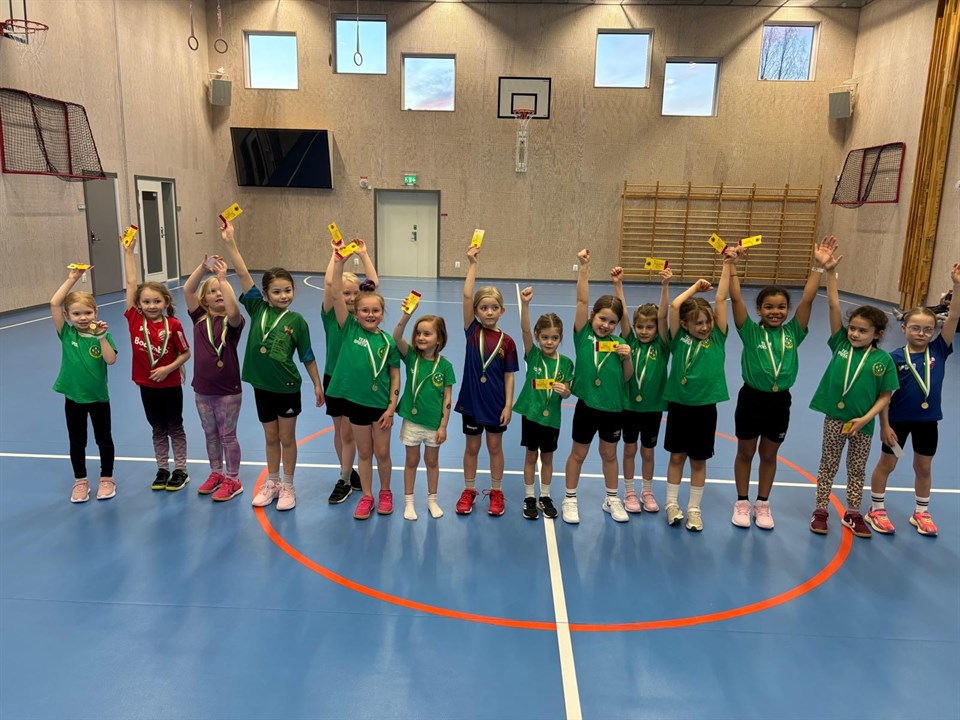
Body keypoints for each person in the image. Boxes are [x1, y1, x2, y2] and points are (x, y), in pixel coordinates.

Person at [726, 237, 838, 530]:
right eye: (768, 307)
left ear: (788, 309)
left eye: (781, 307)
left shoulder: (793, 332)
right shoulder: (749, 331)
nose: (775, 311)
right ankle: (742, 501)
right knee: (745, 452)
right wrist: (733, 267)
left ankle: (763, 503)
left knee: (769, 455)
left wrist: (818, 266)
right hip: (751, 399)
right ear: (759, 310)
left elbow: (808, 300)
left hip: (779, 402)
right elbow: (736, 300)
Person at [220, 220, 323, 511]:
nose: (283, 296)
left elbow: (307, 355)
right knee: (270, 437)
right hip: (262, 386)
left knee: (287, 438)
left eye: (288, 290)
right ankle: (272, 482)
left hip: (287, 386)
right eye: (277, 292)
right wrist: (230, 242)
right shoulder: (257, 308)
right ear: (265, 294)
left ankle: (288, 485)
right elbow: (243, 273)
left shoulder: (297, 321)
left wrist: (316, 384)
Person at [867, 262, 960, 536]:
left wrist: (956, 285)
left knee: (923, 466)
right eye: (916, 328)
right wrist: (885, 426)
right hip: (897, 422)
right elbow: (884, 396)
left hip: (928, 421)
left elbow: (954, 317)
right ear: (904, 328)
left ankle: (921, 513)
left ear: (934, 331)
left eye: (928, 329)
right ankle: (876, 509)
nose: (922, 333)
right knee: (888, 463)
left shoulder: (939, 349)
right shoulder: (894, 358)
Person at [808, 256, 899, 537]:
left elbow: (885, 396)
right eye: (853, 328)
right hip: (835, 418)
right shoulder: (840, 344)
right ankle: (820, 510)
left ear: (877, 334)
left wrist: (868, 420)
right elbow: (834, 306)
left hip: (863, 424)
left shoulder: (883, 360)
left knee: (857, 469)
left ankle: (853, 512)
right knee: (828, 465)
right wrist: (830, 272)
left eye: (862, 330)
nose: (855, 333)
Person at [327, 242, 401, 520]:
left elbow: (395, 375)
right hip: (356, 405)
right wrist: (339, 262)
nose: (370, 315)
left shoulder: (388, 342)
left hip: (380, 407)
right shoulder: (348, 329)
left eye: (376, 311)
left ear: (382, 313)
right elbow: (336, 293)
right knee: (365, 452)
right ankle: (367, 496)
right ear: (355, 313)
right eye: (365, 311)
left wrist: (391, 407)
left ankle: (385, 492)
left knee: (382, 453)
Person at [661, 251, 734, 531]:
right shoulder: (677, 339)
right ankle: (671, 504)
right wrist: (694, 287)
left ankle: (694, 509)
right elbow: (675, 306)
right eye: (698, 323)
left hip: (705, 407)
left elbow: (721, 299)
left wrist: (727, 265)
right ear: (685, 325)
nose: (704, 327)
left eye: (707, 322)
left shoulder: (718, 338)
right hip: (680, 405)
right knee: (676, 456)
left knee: (699, 460)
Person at [562, 249, 634, 525]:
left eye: (612, 322)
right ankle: (570, 498)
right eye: (602, 318)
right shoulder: (583, 335)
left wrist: (627, 358)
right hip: (587, 406)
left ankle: (612, 498)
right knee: (578, 453)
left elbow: (627, 377)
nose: (606, 325)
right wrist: (584, 267)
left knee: (609, 454)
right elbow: (581, 300)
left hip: (614, 408)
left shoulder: (620, 343)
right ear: (592, 316)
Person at [122, 234, 191, 492]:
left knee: (175, 426)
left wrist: (168, 369)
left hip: (170, 384)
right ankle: (162, 468)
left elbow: (185, 353)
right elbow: (131, 282)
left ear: (166, 302)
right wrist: (129, 253)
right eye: (146, 302)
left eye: (157, 301)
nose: (152, 305)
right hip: (147, 385)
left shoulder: (174, 325)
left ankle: (181, 469)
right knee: (157, 428)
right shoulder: (134, 320)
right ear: (138, 304)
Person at [454, 243, 519, 516]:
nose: (489, 312)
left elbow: (509, 376)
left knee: (494, 447)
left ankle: (496, 491)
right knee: (472, 447)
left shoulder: (508, 342)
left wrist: (508, 405)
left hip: (495, 404)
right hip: (471, 402)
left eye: (494, 307)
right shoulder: (472, 331)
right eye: (484, 307)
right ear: (476, 311)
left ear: (502, 310)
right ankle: (469, 490)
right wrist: (473, 264)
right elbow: (466, 295)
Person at [50, 267, 118, 503]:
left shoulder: (103, 335)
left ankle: (107, 478)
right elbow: (54, 303)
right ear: (68, 315)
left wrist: (101, 337)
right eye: (76, 313)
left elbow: (111, 360)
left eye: (87, 312)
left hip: (99, 397)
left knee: (104, 439)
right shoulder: (67, 333)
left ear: (95, 312)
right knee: (77, 441)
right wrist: (72, 279)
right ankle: (80, 481)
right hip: (74, 397)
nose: (82, 317)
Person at [183, 254, 245, 502]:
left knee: (227, 435)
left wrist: (223, 280)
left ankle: (233, 479)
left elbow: (233, 309)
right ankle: (216, 472)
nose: (218, 294)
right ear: (204, 299)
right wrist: (202, 268)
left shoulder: (234, 322)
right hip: (203, 389)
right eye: (212, 292)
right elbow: (188, 289)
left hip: (228, 390)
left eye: (221, 291)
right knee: (210, 433)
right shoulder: (199, 317)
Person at [323, 238, 379, 505]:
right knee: (341, 432)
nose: (349, 298)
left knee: (349, 432)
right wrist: (336, 259)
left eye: (354, 293)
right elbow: (330, 287)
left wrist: (364, 255)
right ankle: (346, 472)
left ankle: (345, 477)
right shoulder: (331, 313)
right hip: (334, 377)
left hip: (356, 380)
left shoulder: (360, 318)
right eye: (345, 293)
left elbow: (373, 285)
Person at [612, 265, 672, 515]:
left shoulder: (663, 345)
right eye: (640, 327)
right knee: (629, 449)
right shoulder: (629, 341)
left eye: (649, 327)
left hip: (652, 408)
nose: (644, 331)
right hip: (628, 406)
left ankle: (647, 491)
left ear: (657, 329)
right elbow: (624, 314)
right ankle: (629, 491)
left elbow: (663, 317)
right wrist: (618, 284)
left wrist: (665, 286)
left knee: (648, 451)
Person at [512, 286, 575, 520]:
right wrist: (525, 305)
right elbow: (524, 330)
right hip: (531, 414)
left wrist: (565, 391)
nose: (549, 342)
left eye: (554, 338)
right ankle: (530, 497)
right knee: (531, 456)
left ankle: (545, 496)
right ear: (538, 337)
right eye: (545, 337)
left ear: (560, 338)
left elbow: (567, 393)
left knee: (547, 458)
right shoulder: (533, 355)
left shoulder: (566, 363)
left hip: (552, 419)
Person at [393, 305, 456, 520]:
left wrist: (443, 426)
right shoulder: (411, 356)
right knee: (411, 461)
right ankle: (409, 503)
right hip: (412, 421)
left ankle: (432, 500)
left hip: (434, 424)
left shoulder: (445, 366)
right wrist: (407, 314)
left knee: (432, 461)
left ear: (439, 339)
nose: (421, 337)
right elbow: (396, 336)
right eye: (418, 333)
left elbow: (447, 399)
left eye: (427, 334)